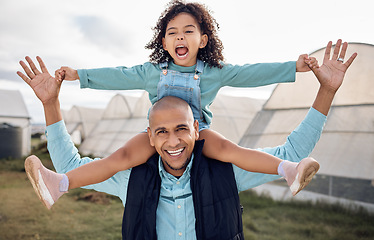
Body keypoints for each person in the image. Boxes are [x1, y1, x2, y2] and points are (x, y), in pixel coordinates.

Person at [18, 39, 356, 239]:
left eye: (181, 128)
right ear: (149, 137)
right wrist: (51, 103)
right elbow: (71, 168)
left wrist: (325, 90)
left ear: (196, 128)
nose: (173, 141)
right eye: (161, 132)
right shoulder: (130, 176)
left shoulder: (226, 170)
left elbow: (292, 151)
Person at [21, 0, 323, 209]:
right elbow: (119, 76)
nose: (180, 37)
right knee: (120, 157)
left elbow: (251, 73)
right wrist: (80, 76)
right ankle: (59, 184)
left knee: (233, 151)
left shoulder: (214, 73)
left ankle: (288, 170)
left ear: (203, 40)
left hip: (198, 132)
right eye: (172, 33)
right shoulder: (153, 72)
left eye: (188, 31)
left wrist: (291, 67)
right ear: (164, 43)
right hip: (157, 133)